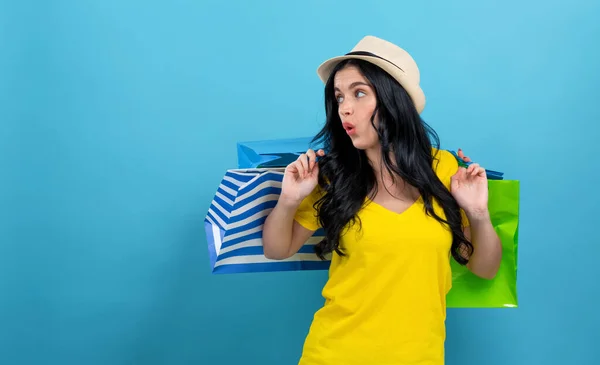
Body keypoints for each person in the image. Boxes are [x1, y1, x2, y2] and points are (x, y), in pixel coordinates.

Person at [262, 35, 502, 365]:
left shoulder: (445, 170)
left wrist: (477, 212)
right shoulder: (333, 175)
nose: (344, 107)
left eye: (359, 93)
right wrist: (289, 200)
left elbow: (485, 269)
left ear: (394, 100)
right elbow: (277, 249)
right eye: (339, 96)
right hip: (333, 354)